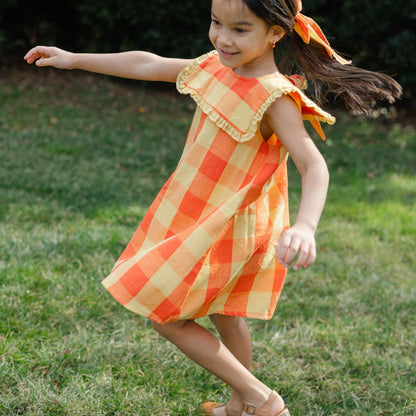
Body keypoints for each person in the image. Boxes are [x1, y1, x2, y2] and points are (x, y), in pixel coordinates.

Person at [24, 0, 401, 415]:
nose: (223, 37)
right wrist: (75, 59)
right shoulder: (215, 67)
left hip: (226, 225)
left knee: (164, 317)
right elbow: (149, 63)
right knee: (226, 315)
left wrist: (306, 226)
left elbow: (315, 166)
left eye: (240, 29)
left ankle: (263, 400)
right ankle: (240, 407)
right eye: (216, 22)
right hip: (197, 211)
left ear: (275, 33)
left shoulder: (275, 96)